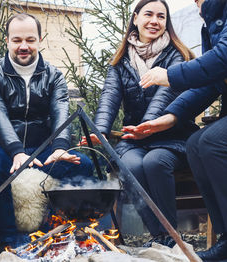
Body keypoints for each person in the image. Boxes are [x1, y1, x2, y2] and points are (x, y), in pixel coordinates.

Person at [81, 0, 198, 248]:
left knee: (155, 162)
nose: (154, 21)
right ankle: (161, 238)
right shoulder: (121, 61)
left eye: (161, 16)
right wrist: (100, 132)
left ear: (167, 23)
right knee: (131, 165)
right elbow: (109, 97)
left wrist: (147, 126)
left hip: (172, 136)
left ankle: (172, 236)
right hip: (135, 139)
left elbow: (164, 96)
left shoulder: (177, 56)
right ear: (135, 18)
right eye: (148, 14)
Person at [132, 0, 227, 260]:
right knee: (196, 143)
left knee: (214, 141)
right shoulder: (215, 20)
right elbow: (213, 80)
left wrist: (170, 75)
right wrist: (169, 117)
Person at [0, 13, 93, 248]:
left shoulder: (53, 75)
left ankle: (54, 230)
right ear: (7, 41)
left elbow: (61, 112)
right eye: (17, 39)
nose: (23, 46)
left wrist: (60, 147)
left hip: (43, 148)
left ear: (39, 40)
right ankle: (9, 238)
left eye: (30, 40)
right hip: (3, 148)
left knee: (83, 165)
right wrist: (17, 151)